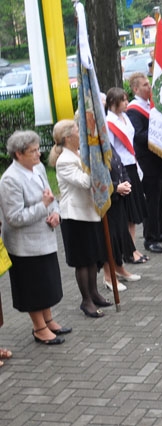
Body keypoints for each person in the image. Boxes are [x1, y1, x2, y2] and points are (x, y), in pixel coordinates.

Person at [0, 130, 70, 344]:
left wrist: (55, 213)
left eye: (38, 149)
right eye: (33, 151)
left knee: (47, 284)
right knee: (33, 288)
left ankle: (48, 320)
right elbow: (14, 217)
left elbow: (50, 196)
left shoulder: (38, 168)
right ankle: (39, 328)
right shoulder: (10, 179)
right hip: (25, 245)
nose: (39, 154)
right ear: (19, 154)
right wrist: (44, 207)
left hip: (45, 239)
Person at [50, 120, 114, 316]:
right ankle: (86, 300)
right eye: (78, 129)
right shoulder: (65, 161)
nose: (82, 132)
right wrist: (97, 165)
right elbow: (85, 182)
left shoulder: (77, 154)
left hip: (89, 212)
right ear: (68, 137)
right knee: (82, 260)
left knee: (92, 258)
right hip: (75, 216)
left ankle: (94, 294)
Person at [127, 72, 162, 254]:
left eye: (148, 84)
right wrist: (159, 135)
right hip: (147, 160)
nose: (149, 87)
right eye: (144, 85)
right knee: (152, 200)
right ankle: (151, 238)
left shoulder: (151, 106)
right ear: (135, 89)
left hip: (161, 158)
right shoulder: (134, 110)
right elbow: (138, 135)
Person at [105, 87, 149, 265]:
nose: (126, 103)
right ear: (113, 103)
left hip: (132, 165)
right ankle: (128, 251)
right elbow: (110, 149)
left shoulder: (126, 118)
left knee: (134, 211)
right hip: (121, 169)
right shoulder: (109, 122)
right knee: (127, 212)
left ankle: (133, 248)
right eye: (123, 100)